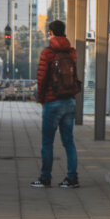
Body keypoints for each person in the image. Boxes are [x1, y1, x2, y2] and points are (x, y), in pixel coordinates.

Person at [31, 20, 81, 188]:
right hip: (69, 101)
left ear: (50, 32)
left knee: (47, 143)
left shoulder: (48, 52)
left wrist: (41, 99)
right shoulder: (72, 52)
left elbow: (42, 78)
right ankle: (72, 178)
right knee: (69, 142)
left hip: (52, 102)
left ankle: (45, 178)